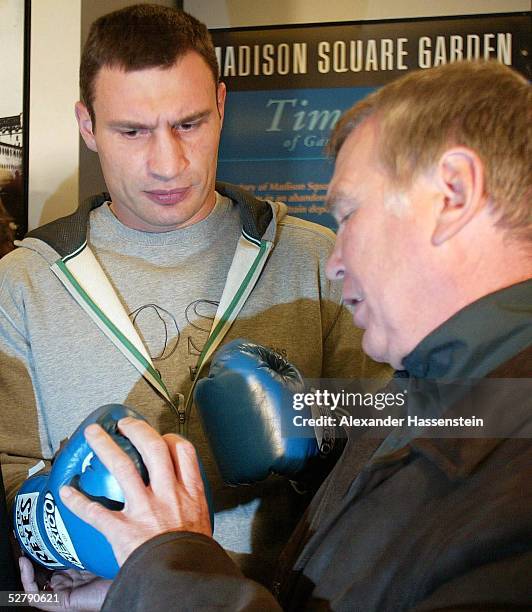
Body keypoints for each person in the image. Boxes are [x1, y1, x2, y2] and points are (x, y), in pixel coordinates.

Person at [58, 60, 531, 610]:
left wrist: (169, 564)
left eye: (349, 214)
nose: (334, 263)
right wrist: (141, 582)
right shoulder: (439, 396)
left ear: (453, 192)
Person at [0, 4, 386, 606]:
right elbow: (6, 469)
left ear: (223, 107)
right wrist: (59, 533)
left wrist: (325, 443)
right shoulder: (23, 283)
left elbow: (409, 452)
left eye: (189, 124)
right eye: (132, 131)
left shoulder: (318, 261)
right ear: (86, 124)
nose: (168, 162)